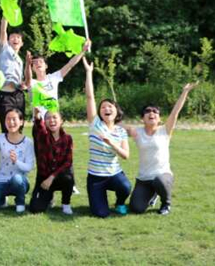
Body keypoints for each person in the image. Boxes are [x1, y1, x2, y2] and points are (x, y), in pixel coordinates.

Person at [126, 83, 199, 215]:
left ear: (159, 119)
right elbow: (117, 125)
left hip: (163, 175)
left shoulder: (165, 130)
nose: (151, 113)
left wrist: (185, 91)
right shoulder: (137, 132)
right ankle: (153, 194)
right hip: (144, 179)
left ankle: (166, 203)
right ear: (142, 119)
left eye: (155, 111)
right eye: (147, 111)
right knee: (136, 208)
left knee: (159, 181)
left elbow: (175, 112)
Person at [83, 57, 131, 218]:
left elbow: (126, 155)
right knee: (101, 213)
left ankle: (119, 203)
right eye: (103, 107)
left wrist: (111, 143)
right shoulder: (95, 124)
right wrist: (89, 72)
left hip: (114, 174)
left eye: (110, 106)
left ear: (116, 112)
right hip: (96, 177)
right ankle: (99, 199)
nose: (106, 109)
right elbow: (90, 97)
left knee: (125, 187)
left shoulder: (121, 131)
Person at [0, 109, 35, 213]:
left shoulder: (28, 142)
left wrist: (16, 161)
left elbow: (29, 167)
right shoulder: (0, 138)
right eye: (8, 119)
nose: (11, 122)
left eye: (14, 119)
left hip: (19, 182)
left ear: (21, 122)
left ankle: (20, 202)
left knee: (17, 179)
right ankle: (1, 198)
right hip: (1, 180)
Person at [24, 40, 90, 120]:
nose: (38, 63)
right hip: (39, 121)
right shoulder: (32, 82)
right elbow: (28, 77)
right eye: (35, 63)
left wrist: (82, 51)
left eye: (40, 61)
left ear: (46, 66)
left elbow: (70, 64)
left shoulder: (53, 77)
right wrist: (27, 64)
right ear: (32, 68)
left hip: (54, 119)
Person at [29, 107, 74, 215]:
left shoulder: (68, 138)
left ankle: (66, 204)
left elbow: (68, 162)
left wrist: (52, 177)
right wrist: (37, 116)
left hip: (59, 177)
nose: (52, 120)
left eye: (54, 117)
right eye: (48, 118)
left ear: (61, 121)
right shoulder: (42, 136)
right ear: (45, 122)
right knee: (35, 208)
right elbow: (38, 126)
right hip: (43, 179)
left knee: (68, 178)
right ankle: (49, 198)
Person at [0, 16, 25, 132]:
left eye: (18, 37)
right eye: (12, 37)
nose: (15, 39)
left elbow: (20, 80)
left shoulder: (20, 61)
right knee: (7, 127)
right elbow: (3, 30)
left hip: (18, 95)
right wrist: (6, 14)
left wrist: (22, 84)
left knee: (19, 127)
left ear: (21, 43)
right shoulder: (4, 49)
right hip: (5, 95)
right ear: (8, 40)